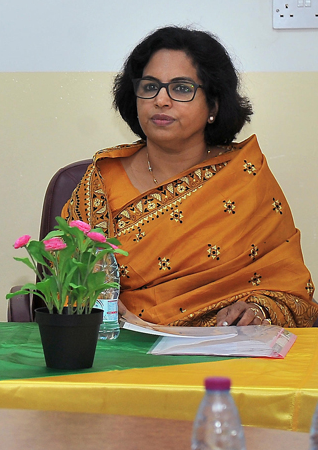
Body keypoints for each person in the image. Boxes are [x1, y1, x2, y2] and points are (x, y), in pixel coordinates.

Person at [64, 26, 317, 327]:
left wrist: (257, 312)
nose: (161, 100)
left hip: (223, 352)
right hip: (119, 350)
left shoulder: (244, 177)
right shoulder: (102, 178)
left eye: (181, 88)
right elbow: (70, 282)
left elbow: (288, 289)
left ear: (213, 105)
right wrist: (98, 306)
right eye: (150, 87)